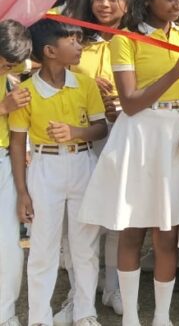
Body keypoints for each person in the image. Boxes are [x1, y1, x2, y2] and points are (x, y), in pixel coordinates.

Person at [79, 0, 179, 326]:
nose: (178, 4)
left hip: (175, 136)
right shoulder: (125, 39)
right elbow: (130, 102)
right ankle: (131, 316)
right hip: (139, 135)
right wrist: (174, 72)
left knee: (167, 234)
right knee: (131, 230)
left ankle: (162, 317)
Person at [10, 19, 107, 326]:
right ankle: (39, 317)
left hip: (83, 165)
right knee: (43, 247)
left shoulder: (85, 85)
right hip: (44, 169)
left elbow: (100, 128)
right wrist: (22, 193)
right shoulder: (26, 92)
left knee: (85, 246)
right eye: (72, 41)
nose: (79, 46)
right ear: (50, 51)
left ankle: (85, 312)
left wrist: (75, 132)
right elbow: (17, 143)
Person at [71, 0, 134, 316]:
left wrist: (119, 104)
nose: (105, 4)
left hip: (123, 132)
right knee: (83, 215)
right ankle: (80, 291)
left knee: (117, 215)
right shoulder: (76, 38)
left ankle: (114, 287)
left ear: (128, 2)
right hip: (82, 135)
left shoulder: (138, 39)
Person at [0, 19, 32, 326]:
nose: (3, 68)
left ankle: (6, 314)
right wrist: (2, 108)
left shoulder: (13, 74)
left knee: (7, 243)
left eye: (8, 65)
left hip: (3, 161)